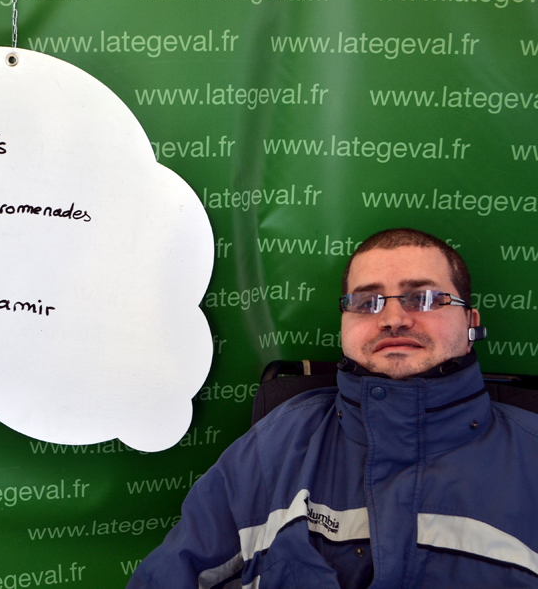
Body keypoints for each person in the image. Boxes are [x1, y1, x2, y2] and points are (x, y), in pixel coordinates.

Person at [127, 228, 538, 588]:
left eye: (424, 298)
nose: (394, 318)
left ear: (471, 321)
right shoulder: (273, 447)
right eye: (367, 302)